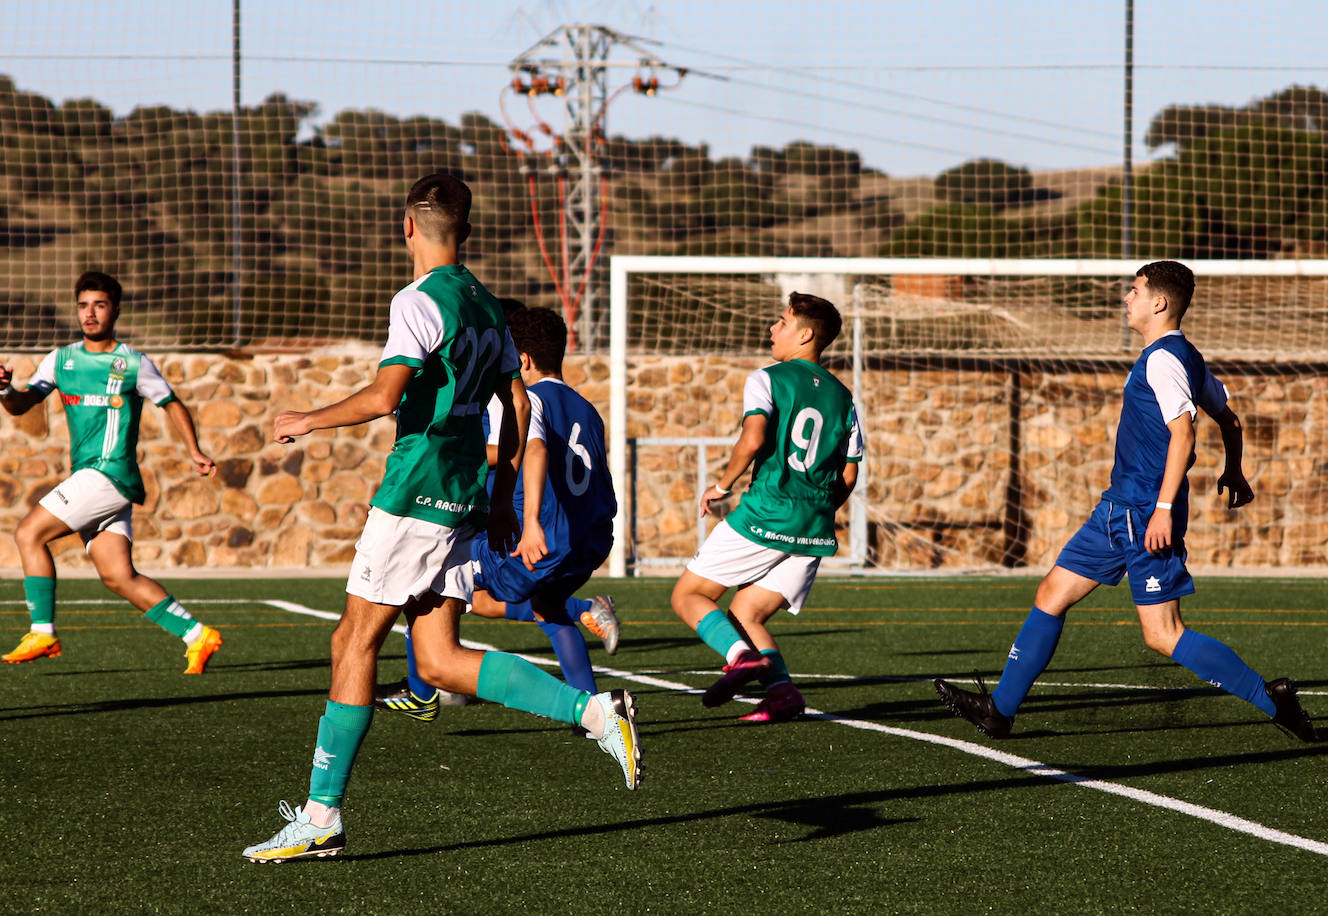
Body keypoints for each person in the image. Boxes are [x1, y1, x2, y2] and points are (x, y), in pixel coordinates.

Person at [242, 174, 640, 864]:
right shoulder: (486, 305)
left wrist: (309, 418)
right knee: (437, 658)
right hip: (464, 496)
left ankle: (321, 816)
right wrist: (500, 494)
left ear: (407, 226)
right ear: (467, 229)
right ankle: (595, 713)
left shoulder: (418, 300)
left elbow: (385, 395)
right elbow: (519, 405)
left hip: (417, 491)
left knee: (353, 642)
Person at [933, 260, 1318, 743]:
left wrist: (1163, 510)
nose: (1126, 298)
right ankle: (999, 711)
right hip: (1116, 509)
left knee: (1163, 634)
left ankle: (1272, 699)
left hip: (1144, 514)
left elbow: (1184, 434)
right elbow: (1230, 419)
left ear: (1159, 302)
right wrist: (1234, 469)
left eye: (1135, 290)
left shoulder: (1164, 360)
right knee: (1051, 594)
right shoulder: (1181, 355)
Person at [375, 305, 622, 722]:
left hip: (540, 536)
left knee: (425, 579)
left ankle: (422, 692)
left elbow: (532, 450)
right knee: (544, 605)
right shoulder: (587, 409)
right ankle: (595, 707)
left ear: (521, 360)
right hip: (590, 539)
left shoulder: (525, 399)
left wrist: (529, 523)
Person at [0, 271, 222, 673]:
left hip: (108, 474)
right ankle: (197, 634)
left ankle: (43, 632)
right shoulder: (61, 360)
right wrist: (4, 390)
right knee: (118, 576)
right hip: (97, 478)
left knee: (29, 533)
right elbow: (22, 404)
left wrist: (194, 450)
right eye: (83, 305)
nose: (90, 313)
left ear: (115, 310)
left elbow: (171, 403)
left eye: (99, 305)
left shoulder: (133, 363)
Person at [669, 292, 863, 723]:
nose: (772, 329)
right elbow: (849, 475)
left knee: (688, 596)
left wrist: (721, 486)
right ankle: (782, 693)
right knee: (747, 613)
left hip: (767, 513)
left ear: (805, 334)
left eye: (781, 322)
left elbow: (753, 438)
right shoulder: (845, 398)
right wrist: (813, 510)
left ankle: (740, 658)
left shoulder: (767, 378)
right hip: (815, 527)